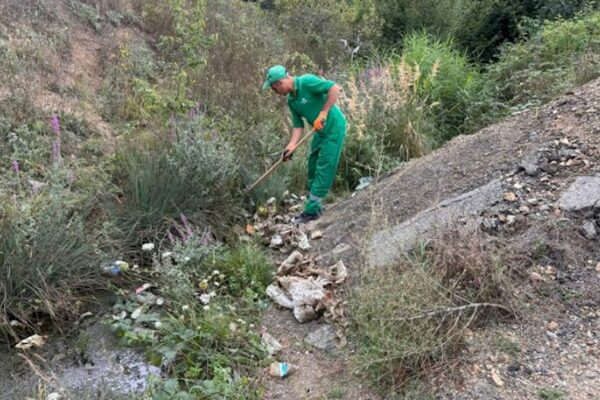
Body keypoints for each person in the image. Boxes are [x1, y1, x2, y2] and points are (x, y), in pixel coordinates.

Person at [262, 65, 347, 224]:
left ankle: (311, 211)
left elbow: (334, 88)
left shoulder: (306, 82)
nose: (276, 93)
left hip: (334, 127)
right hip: (320, 131)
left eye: (274, 89)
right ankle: (314, 201)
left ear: (280, 83)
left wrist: (323, 113)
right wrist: (290, 146)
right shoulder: (291, 100)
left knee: (324, 165)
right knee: (312, 164)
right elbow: (297, 126)